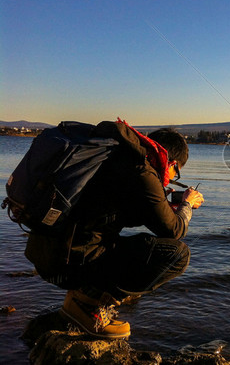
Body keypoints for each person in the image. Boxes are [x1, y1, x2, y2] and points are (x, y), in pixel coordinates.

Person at [24, 120, 204, 338]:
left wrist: (158, 205)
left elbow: (106, 214)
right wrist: (186, 204)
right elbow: (175, 230)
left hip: (45, 257)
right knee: (177, 254)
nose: (172, 178)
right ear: (172, 162)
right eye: (175, 172)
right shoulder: (142, 171)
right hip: (69, 265)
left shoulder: (114, 156)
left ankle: (81, 298)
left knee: (115, 241)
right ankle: (88, 306)